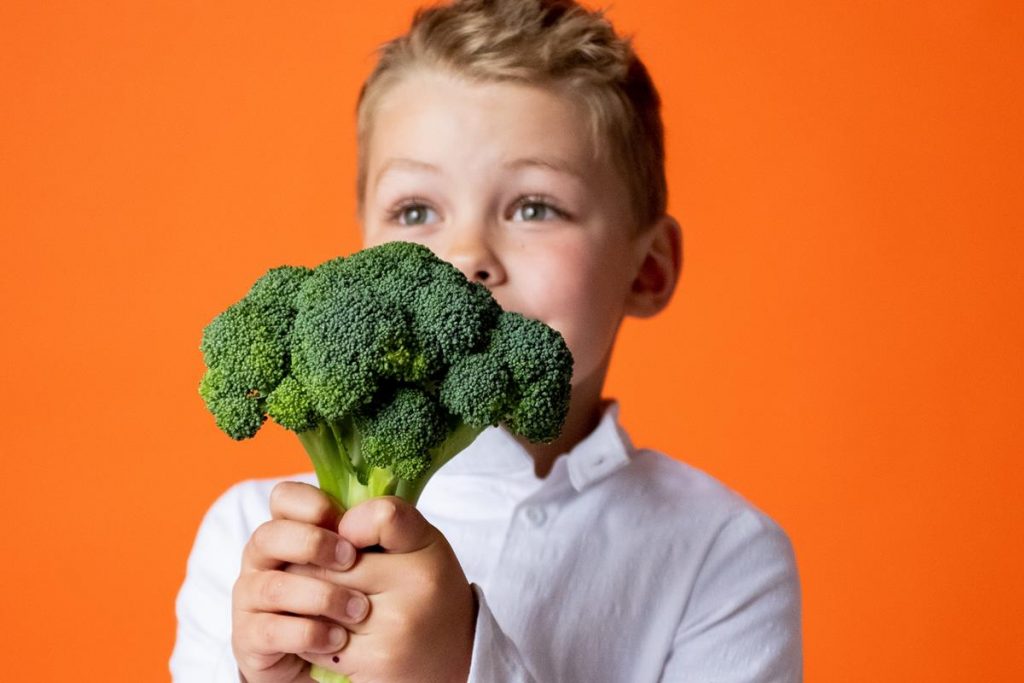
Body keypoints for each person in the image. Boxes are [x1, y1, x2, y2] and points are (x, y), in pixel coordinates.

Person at [170, 0, 803, 680]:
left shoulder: (724, 553)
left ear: (647, 267)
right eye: (417, 210)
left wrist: (461, 664)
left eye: (535, 206)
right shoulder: (251, 543)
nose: (466, 254)